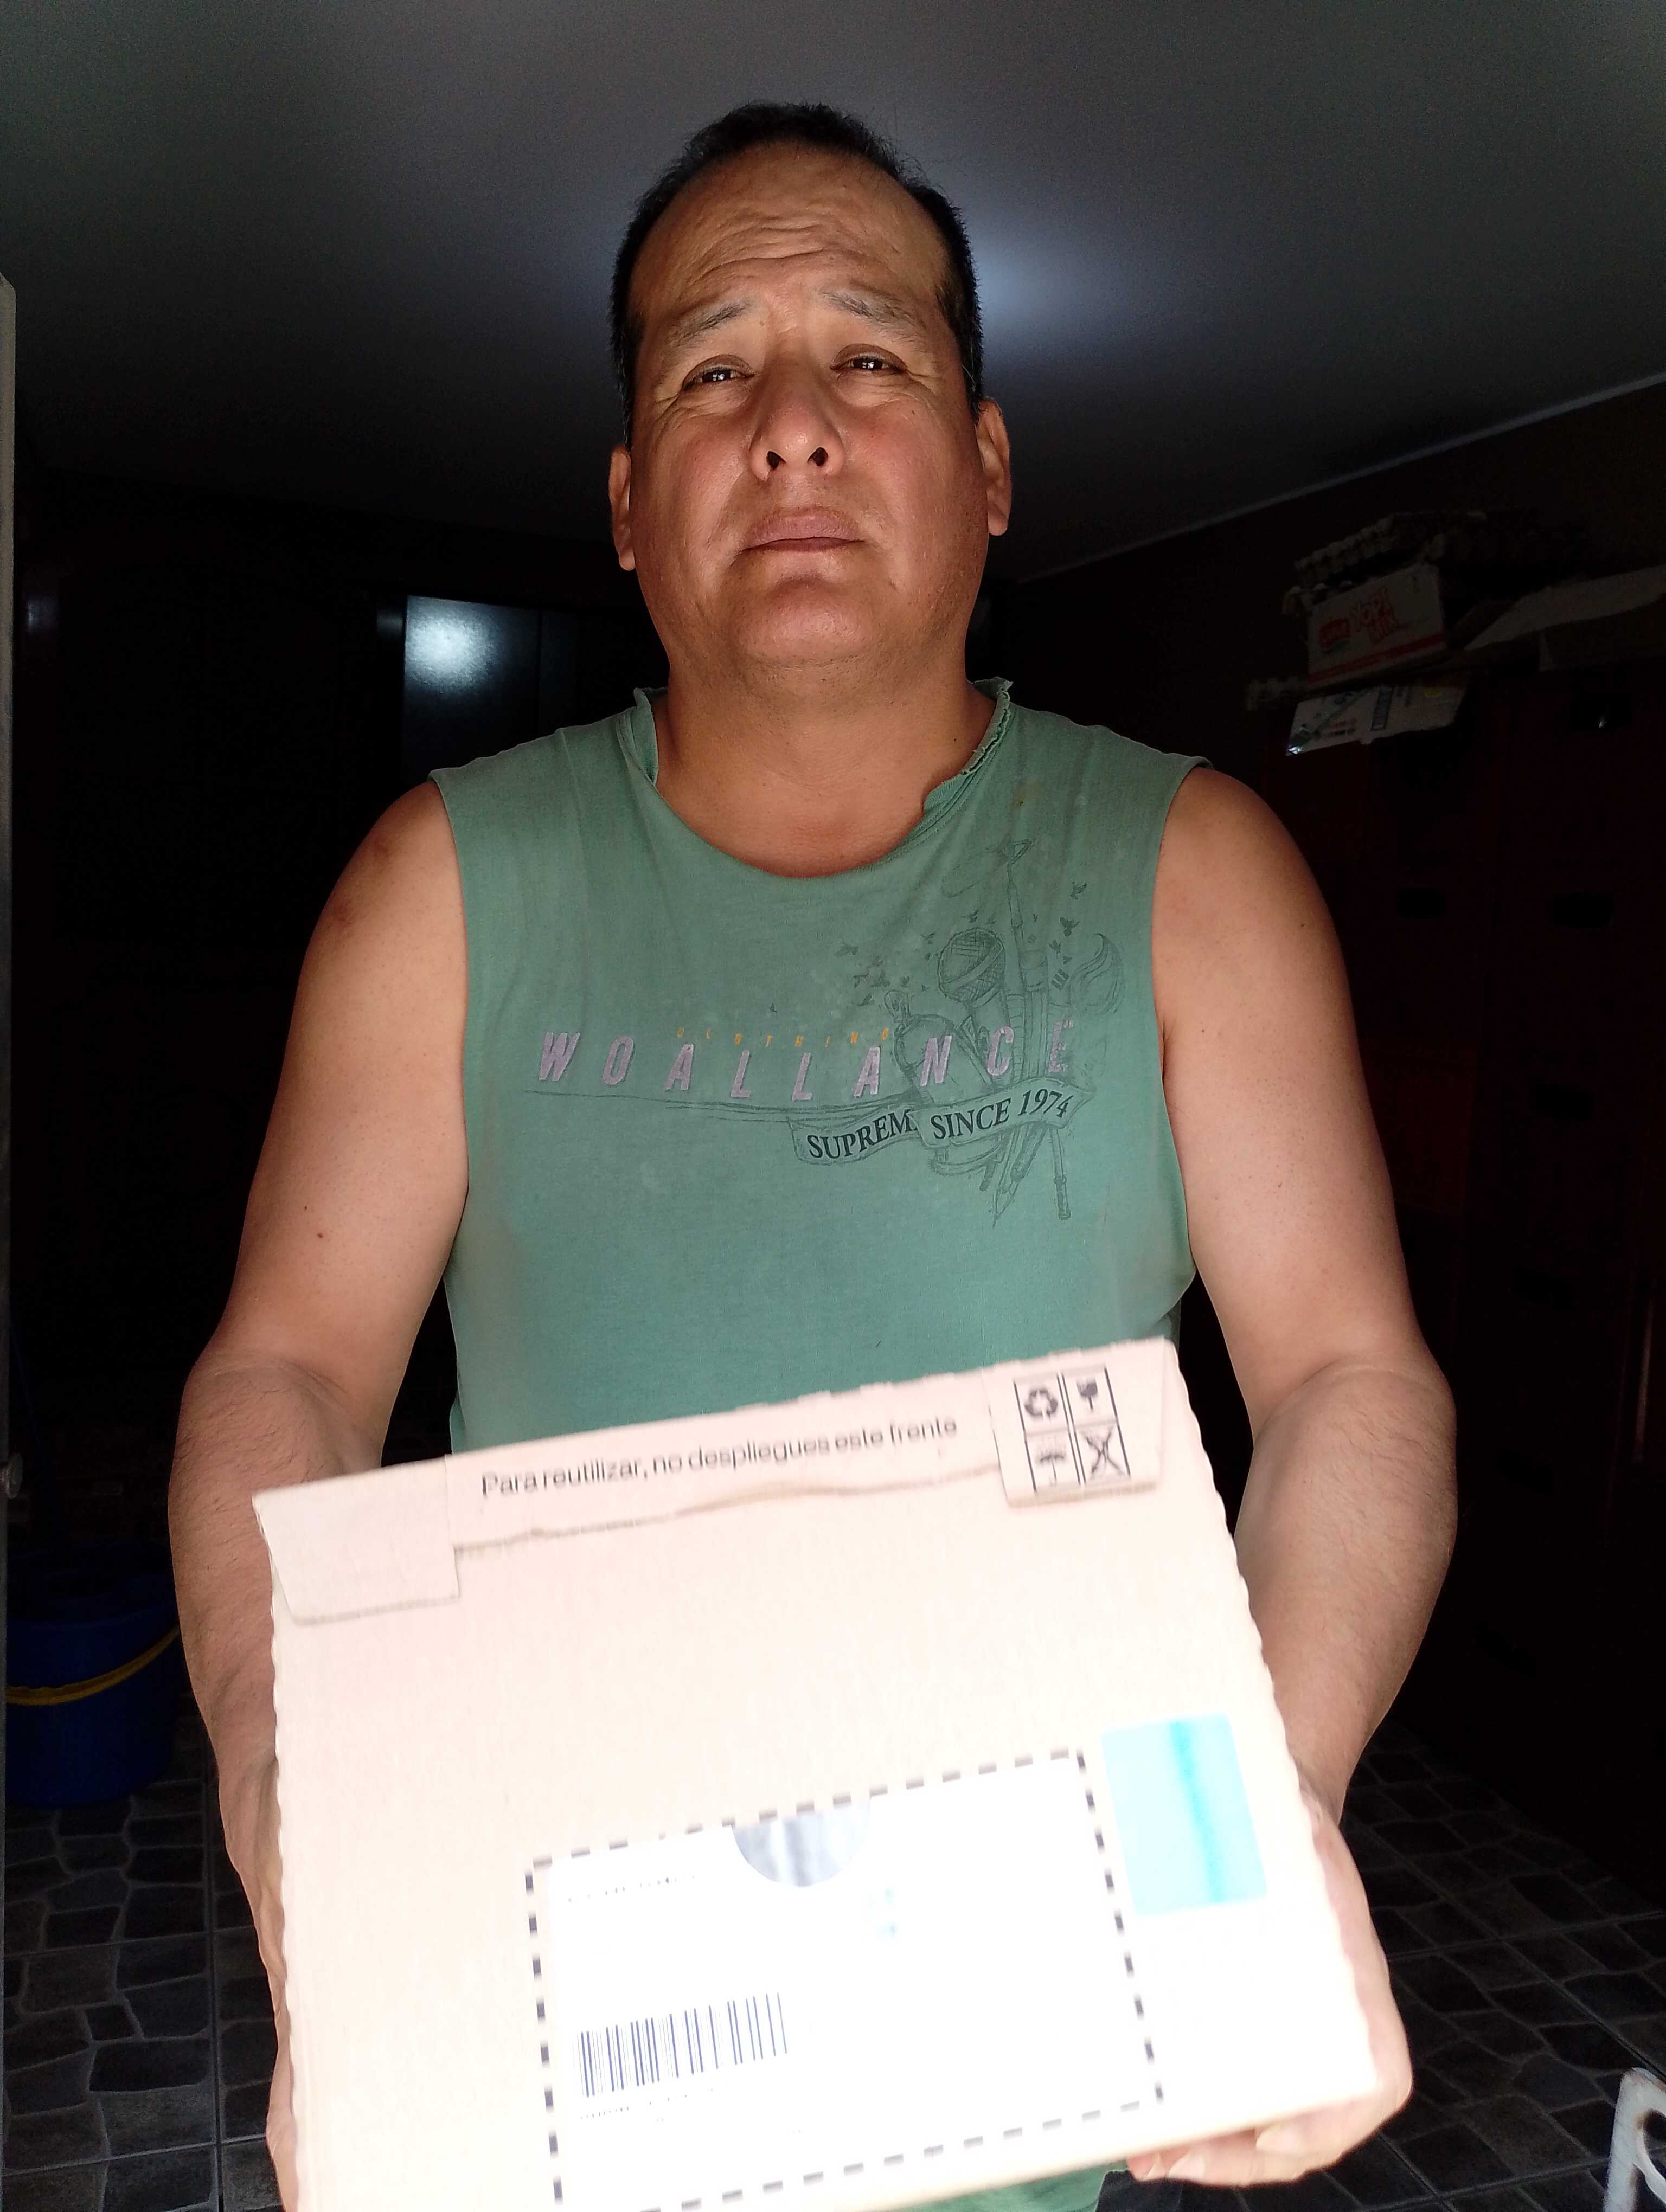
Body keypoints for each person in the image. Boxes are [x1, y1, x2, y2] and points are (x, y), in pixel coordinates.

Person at [170, 102, 1456, 2210]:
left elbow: (1347, 1381)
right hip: (551, 2002)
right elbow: (287, 1371)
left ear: (989, 467)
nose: (790, 425)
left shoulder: (1193, 876)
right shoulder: (442, 892)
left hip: (1034, 2001)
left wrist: (1273, 1803)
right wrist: (287, 1788)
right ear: (627, 504)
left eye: (867, 354)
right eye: (711, 370)